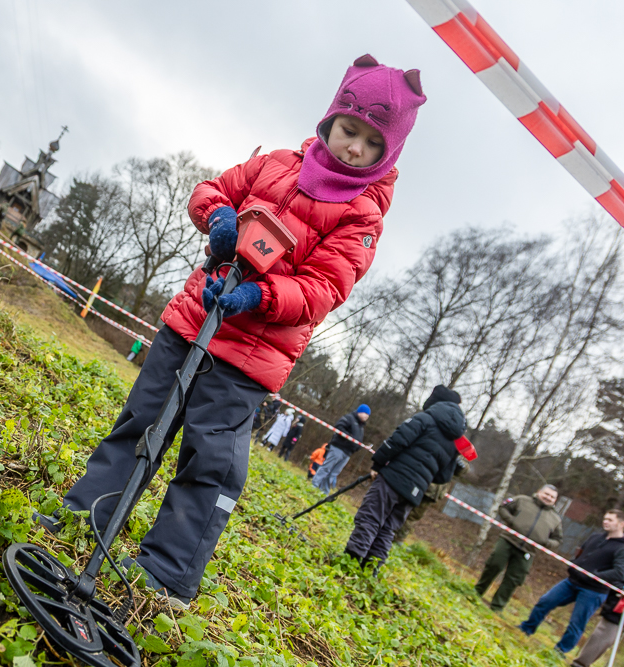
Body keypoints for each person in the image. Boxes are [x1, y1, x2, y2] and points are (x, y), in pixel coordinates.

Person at [51, 54, 426, 607]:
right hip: (192, 321)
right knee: (141, 421)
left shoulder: (361, 218)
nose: (354, 148)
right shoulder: (274, 163)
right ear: (330, 120)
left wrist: (259, 294)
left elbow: (324, 288)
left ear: (387, 152)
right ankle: (88, 511)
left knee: (209, 459)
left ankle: (168, 571)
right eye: (350, 130)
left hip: (246, 357)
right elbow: (210, 190)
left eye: (372, 143)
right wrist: (220, 218)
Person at [343, 385, 465, 568]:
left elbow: (397, 440)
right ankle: (371, 569)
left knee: (371, 516)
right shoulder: (455, 441)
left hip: (393, 479)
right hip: (414, 492)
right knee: (388, 528)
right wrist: (423, 477)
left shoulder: (425, 419)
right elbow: (443, 476)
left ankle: (350, 560)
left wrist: (378, 463)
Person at [519, 510, 624, 655]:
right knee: (545, 601)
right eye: (605, 518)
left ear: (621, 524)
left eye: (610, 520)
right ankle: (526, 629)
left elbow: (620, 573)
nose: (605, 522)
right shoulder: (595, 537)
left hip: (594, 591)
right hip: (572, 581)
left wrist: (593, 576)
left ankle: (560, 651)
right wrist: (574, 564)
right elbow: (581, 552)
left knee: (576, 623)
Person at [474, 484, 563, 612]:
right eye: (546, 494)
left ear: (555, 500)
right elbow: (503, 507)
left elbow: (557, 540)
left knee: (513, 579)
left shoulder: (555, 519)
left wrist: (545, 542)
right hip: (508, 540)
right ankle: (477, 592)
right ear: (539, 492)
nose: (548, 498)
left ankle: (496, 607)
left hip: (528, 552)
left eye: (552, 497)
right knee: (494, 565)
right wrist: (512, 521)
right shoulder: (522, 500)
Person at [312, 405, 370, 493]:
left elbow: (358, 441)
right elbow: (339, 426)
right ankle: (314, 485)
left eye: (368, 415)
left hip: (348, 453)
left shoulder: (361, 427)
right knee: (327, 467)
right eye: (365, 413)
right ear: (359, 411)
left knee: (334, 473)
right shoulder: (349, 418)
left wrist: (358, 447)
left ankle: (324, 491)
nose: (366, 416)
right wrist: (348, 437)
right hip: (338, 447)